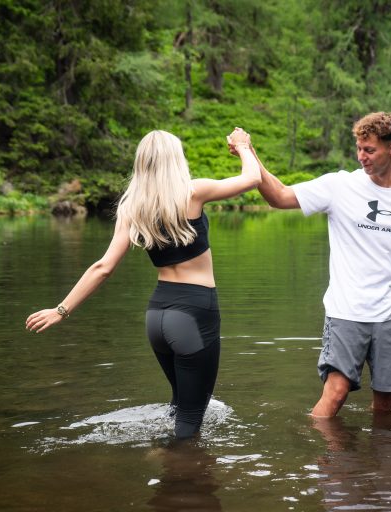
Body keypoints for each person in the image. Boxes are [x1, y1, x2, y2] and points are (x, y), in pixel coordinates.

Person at [26, 128, 260, 439]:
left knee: (179, 404)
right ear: (175, 160)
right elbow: (252, 178)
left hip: (157, 317)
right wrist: (243, 146)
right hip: (193, 315)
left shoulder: (132, 208)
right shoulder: (193, 192)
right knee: (191, 420)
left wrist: (61, 310)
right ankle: (169, 460)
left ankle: (162, 455)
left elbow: (103, 267)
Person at [251, 111, 391, 418]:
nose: (361, 156)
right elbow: (278, 196)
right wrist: (249, 154)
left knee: (386, 406)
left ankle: (380, 451)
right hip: (347, 311)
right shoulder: (339, 186)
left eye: (369, 150)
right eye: (358, 148)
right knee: (336, 392)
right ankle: (320, 449)